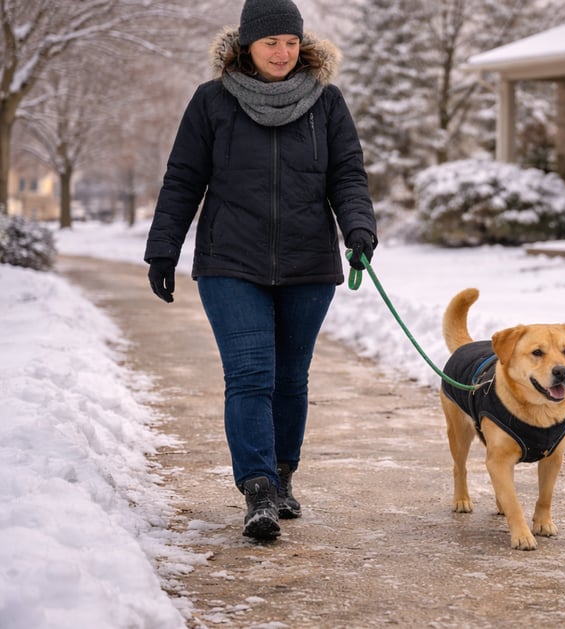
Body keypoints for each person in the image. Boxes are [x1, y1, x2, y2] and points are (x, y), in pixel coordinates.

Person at [144, 0, 377, 541]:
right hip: (231, 261)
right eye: (271, 42)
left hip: (308, 263)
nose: (283, 52)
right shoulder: (212, 102)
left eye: (291, 42)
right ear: (248, 44)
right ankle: (258, 488)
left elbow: (348, 175)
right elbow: (183, 179)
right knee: (250, 374)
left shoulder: (327, 102)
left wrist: (359, 230)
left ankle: (284, 475)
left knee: (291, 379)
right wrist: (164, 249)